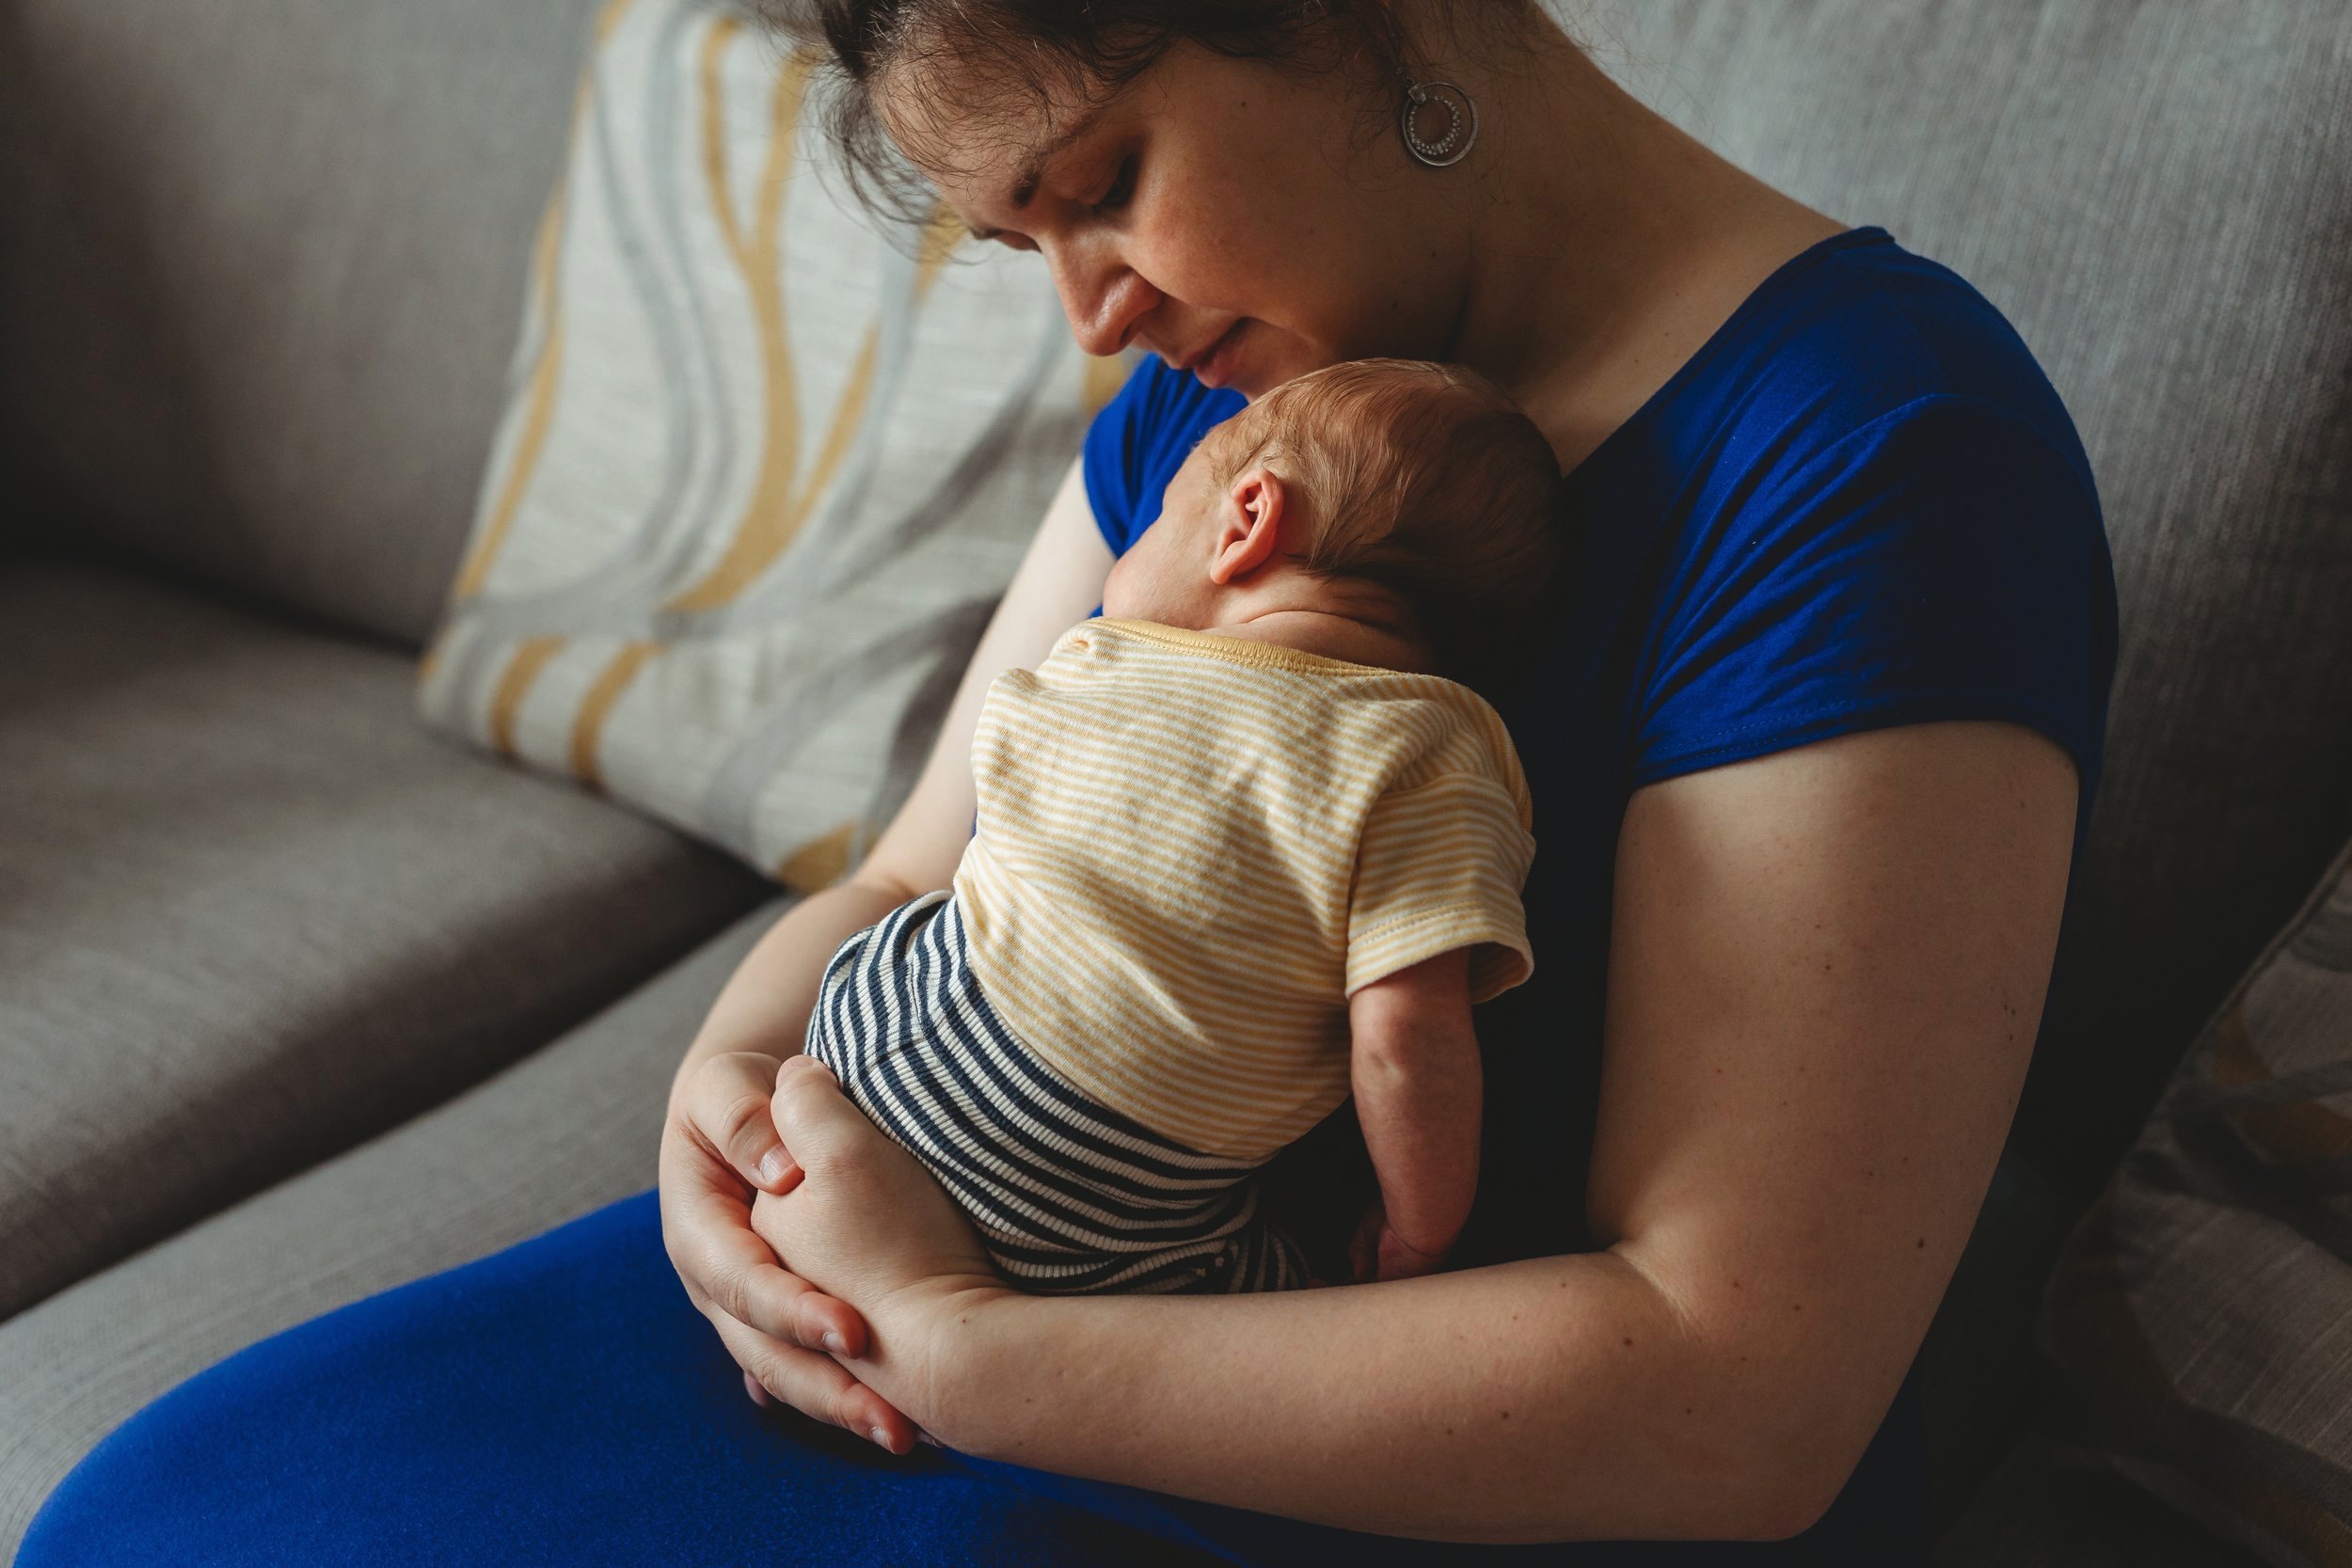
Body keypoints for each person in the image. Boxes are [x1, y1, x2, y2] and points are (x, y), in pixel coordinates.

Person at [17, 2, 2119, 1564]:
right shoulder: (1232, 416)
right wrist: (715, 1104)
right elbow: (910, 880)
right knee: (167, 1504)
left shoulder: (1874, 452)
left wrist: (955, 1350)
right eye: (1021, 238)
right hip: (950, 1284)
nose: (1089, 315)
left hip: (1419, 1463)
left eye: (1099, 181)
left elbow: (1726, 1398)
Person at [793, 357, 1558, 1301]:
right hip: (1082, 1192)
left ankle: (815, 1250)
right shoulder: (1432, 759)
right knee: (1284, 1307)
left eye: (1161, 514)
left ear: (1245, 524)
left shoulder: (1096, 659)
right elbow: (1404, 1036)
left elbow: (967, 851)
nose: (1142, 533)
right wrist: (1420, 1226)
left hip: (859, 1027)